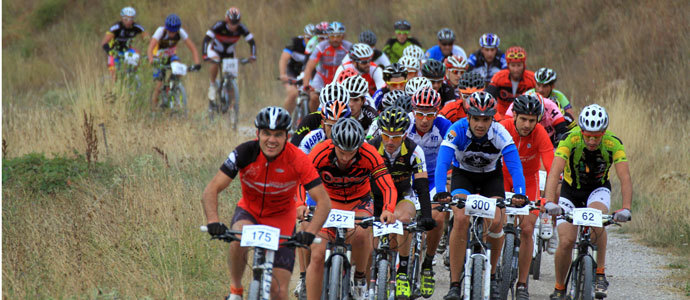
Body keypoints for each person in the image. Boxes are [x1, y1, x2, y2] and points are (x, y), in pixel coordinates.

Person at [202, 106, 332, 300]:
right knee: (239, 236)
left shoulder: (297, 159)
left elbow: (324, 202)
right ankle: (236, 290)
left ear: (287, 136)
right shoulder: (244, 152)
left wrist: (309, 233)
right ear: (258, 133)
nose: (271, 140)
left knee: (279, 293)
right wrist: (213, 221)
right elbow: (211, 189)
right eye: (266, 134)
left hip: (282, 218)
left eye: (278, 134)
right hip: (250, 211)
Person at [434, 91, 528, 300]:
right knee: (459, 218)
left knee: (496, 221)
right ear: (468, 117)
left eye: (485, 119)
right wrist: (441, 190)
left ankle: (493, 275)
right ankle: (455, 284)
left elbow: (515, 166)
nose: (480, 124)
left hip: (490, 179)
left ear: (492, 119)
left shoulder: (500, 133)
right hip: (463, 177)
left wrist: (520, 193)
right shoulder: (455, 130)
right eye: (476, 118)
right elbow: (442, 162)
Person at [544, 104, 632, 300]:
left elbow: (625, 178)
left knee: (597, 220)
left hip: (597, 190)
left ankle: (600, 273)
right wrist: (550, 201)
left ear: (604, 132)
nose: (592, 140)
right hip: (570, 191)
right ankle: (559, 287)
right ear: (581, 131)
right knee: (566, 241)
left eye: (597, 136)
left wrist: (626, 208)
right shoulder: (569, 139)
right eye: (588, 135)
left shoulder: (613, 143)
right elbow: (554, 172)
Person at [305, 118, 397, 300]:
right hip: (328, 202)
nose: (346, 157)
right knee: (317, 254)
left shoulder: (369, 153)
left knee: (362, 234)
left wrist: (387, 209)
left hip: (358, 202)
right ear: (334, 144)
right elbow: (302, 180)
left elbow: (388, 186)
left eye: (351, 152)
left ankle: (360, 277)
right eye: (342, 152)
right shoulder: (320, 151)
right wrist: (300, 203)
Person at [366, 107, 437, 298]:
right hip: (375, 197)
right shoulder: (370, 147)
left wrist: (427, 216)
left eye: (396, 137)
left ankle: (403, 273)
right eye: (386, 135)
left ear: (405, 135)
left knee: (402, 220)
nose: (390, 141)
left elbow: (422, 187)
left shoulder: (415, 151)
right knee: (368, 239)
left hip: (402, 195)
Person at [499, 95, 555, 300]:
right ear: (514, 115)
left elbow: (551, 166)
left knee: (528, 229)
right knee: (496, 222)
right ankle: (494, 270)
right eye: (523, 119)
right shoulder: (502, 126)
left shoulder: (539, 133)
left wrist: (547, 198)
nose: (527, 125)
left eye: (532, 120)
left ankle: (522, 283)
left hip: (528, 181)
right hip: (503, 178)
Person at [406, 88, 452, 298]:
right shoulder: (404, 123)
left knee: (439, 217)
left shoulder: (443, 126)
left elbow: (455, 155)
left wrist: (448, 182)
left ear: (437, 112)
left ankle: (427, 264)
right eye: (420, 113)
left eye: (430, 113)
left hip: (433, 179)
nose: (424, 119)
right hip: (407, 178)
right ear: (413, 110)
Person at [203, 7, 256, 111]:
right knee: (215, 62)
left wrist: (253, 55)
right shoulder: (219, 25)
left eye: (236, 23)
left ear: (239, 21)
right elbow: (206, 40)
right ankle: (212, 85)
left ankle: (232, 106)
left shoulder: (242, 28)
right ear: (227, 19)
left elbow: (251, 42)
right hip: (215, 50)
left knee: (232, 78)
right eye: (231, 22)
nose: (233, 25)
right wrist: (205, 55)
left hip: (229, 53)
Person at [147, 14, 201, 109]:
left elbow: (193, 48)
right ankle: (153, 109)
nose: (172, 34)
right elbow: (150, 48)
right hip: (159, 57)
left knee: (179, 69)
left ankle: (169, 87)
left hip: (171, 56)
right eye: (170, 31)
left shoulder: (181, 32)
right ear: (166, 28)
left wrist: (197, 63)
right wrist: (151, 59)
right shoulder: (160, 31)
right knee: (159, 84)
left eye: (174, 32)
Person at [302, 22, 352, 112]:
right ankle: (314, 121)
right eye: (332, 36)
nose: (335, 39)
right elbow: (309, 67)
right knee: (314, 97)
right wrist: (306, 85)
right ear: (328, 36)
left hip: (340, 79)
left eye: (338, 36)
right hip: (322, 77)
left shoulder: (348, 47)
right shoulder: (321, 46)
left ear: (343, 36)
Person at [485, 46, 536, 118]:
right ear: (508, 65)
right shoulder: (499, 76)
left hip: (524, 118)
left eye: (519, 65)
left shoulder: (532, 78)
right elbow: (488, 96)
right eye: (513, 65)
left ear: (524, 65)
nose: (516, 69)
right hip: (501, 117)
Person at [101, 7, 148, 80]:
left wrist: (147, 51)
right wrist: (110, 52)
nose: (128, 22)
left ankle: (131, 75)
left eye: (131, 19)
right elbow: (104, 43)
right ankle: (114, 85)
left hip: (126, 51)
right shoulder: (116, 28)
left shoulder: (136, 27)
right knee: (114, 75)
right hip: (114, 52)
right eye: (126, 19)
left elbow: (148, 39)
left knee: (137, 56)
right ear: (122, 18)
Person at [279, 24, 314, 113]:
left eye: (313, 39)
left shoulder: (317, 46)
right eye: (308, 38)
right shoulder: (295, 42)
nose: (310, 41)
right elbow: (284, 58)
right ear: (303, 36)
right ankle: (285, 118)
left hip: (308, 73)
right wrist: (283, 74)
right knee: (293, 93)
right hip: (292, 72)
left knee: (313, 95)